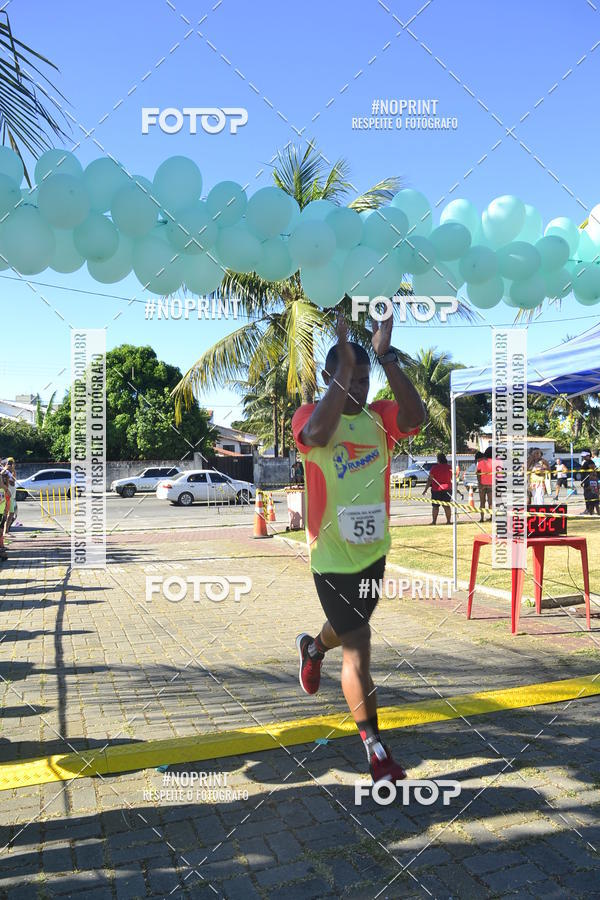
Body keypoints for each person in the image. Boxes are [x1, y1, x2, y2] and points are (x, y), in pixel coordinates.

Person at [292, 314, 425, 784]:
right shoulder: (308, 415)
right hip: (328, 558)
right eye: (352, 378)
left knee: (351, 631)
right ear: (331, 378)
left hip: (374, 555)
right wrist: (342, 374)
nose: (362, 389)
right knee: (360, 644)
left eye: (365, 381)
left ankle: (312, 647)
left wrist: (384, 356)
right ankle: (375, 749)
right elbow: (317, 437)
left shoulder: (380, 419)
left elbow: (417, 417)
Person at [423, 452, 452, 524]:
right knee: (447, 506)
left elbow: (430, 480)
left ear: (438, 460)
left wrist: (425, 489)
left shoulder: (434, 468)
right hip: (447, 488)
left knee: (435, 506)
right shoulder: (450, 467)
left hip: (436, 489)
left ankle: (434, 521)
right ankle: (448, 521)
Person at [476, 447, 494, 523]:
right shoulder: (494, 462)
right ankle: (492, 517)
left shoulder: (480, 463)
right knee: (491, 502)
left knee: (482, 502)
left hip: (482, 485)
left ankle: (482, 518)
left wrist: (480, 484)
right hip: (491, 484)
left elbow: (478, 474)